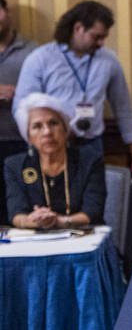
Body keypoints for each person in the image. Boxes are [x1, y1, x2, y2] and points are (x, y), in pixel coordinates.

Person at [13, 0, 132, 178]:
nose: (102, 43)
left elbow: (124, 108)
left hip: (92, 146)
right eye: (97, 37)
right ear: (78, 28)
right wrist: (39, 141)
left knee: (92, 202)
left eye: (104, 37)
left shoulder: (109, 61)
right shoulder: (40, 59)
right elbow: (21, 108)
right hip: (49, 148)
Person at [4, 93, 104, 229]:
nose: (47, 132)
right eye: (37, 126)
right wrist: (34, 221)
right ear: (28, 137)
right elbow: (16, 213)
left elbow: (92, 211)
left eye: (53, 123)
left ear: (65, 129)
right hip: (36, 241)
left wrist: (61, 221)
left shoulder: (90, 160)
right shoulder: (14, 166)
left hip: (82, 238)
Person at [0, 0, 36, 224]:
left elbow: (47, 98)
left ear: (7, 12)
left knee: (20, 206)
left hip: (22, 141)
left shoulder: (33, 52)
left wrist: (19, 95)